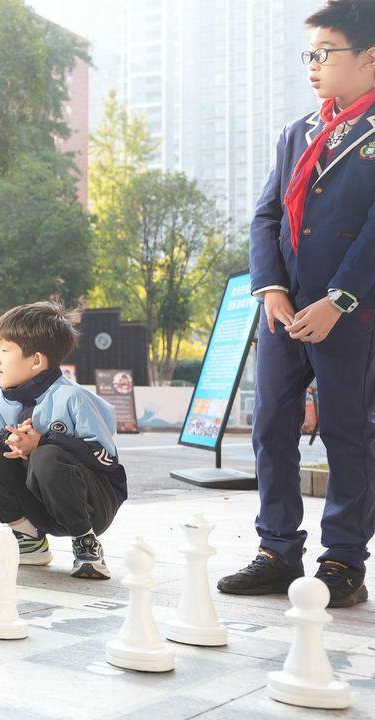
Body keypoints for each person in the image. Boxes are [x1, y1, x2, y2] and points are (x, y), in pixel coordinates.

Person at [219, 0, 375, 608]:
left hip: (350, 314)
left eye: (324, 53)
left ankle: (343, 560)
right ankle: (277, 550)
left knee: (347, 431)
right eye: (308, 53)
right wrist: (272, 288)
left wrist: (340, 298)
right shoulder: (297, 133)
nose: (311, 65)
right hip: (284, 314)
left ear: (369, 57)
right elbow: (266, 218)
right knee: (269, 427)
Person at [0, 302, 127, 580]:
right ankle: (29, 538)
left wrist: (45, 441)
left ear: (36, 361)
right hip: (40, 505)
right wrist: (11, 443)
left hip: (92, 505)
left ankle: (86, 543)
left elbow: (106, 459)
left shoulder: (74, 398)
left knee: (46, 456)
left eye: (4, 350)